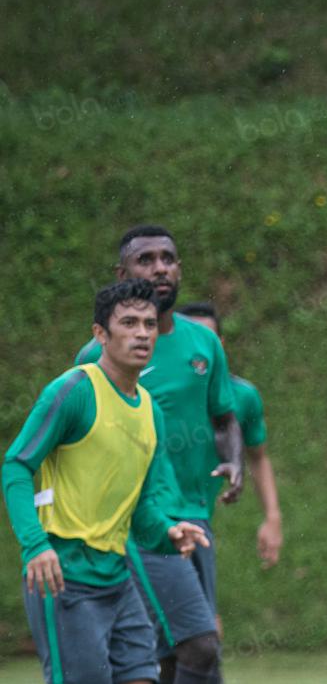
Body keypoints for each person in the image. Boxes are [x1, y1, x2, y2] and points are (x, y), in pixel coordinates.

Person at [3, 279, 210, 684]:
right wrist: (35, 547)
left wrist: (168, 532)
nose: (142, 333)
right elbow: (15, 465)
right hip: (64, 576)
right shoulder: (73, 392)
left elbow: (143, 508)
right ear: (100, 333)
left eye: (149, 324)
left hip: (117, 579)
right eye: (129, 323)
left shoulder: (151, 411)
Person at [76, 226, 242, 684]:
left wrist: (234, 463)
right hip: (133, 526)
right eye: (145, 260)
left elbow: (225, 418)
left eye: (168, 258)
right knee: (178, 646)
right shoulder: (95, 360)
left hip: (193, 516)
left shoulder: (203, 343)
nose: (160, 268)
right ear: (121, 274)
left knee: (191, 651)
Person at [180, 302, 283, 570]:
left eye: (208, 339)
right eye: (190, 339)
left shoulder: (243, 396)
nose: (198, 349)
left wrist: (272, 517)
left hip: (200, 518)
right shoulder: (157, 393)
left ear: (221, 345)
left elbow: (258, 457)